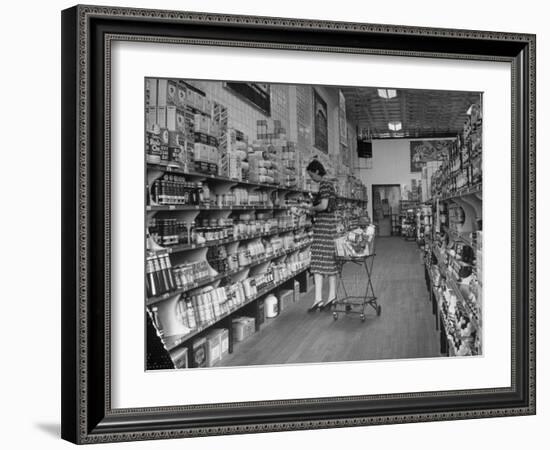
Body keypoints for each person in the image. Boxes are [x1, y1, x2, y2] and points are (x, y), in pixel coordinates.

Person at [305, 159, 338, 312]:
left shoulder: (324, 184)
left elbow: (324, 206)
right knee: (329, 264)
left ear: (317, 171)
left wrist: (311, 208)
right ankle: (330, 298)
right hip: (329, 227)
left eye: (312, 176)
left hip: (323, 228)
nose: (312, 179)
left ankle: (320, 299)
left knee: (318, 263)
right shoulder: (329, 184)